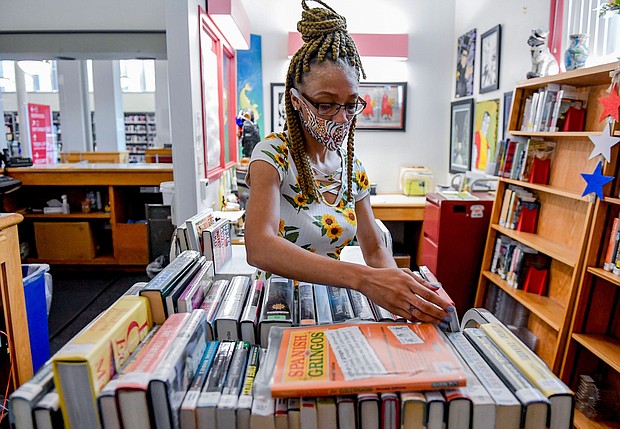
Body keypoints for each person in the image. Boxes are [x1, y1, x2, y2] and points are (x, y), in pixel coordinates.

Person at [244, 0, 453, 325]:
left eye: (351, 104)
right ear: (297, 102)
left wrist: (403, 288)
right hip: (282, 310)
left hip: (333, 309)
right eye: (326, 105)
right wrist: (364, 280)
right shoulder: (273, 155)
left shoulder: (352, 168)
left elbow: (374, 250)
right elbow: (260, 247)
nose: (342, 118)